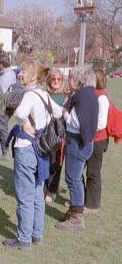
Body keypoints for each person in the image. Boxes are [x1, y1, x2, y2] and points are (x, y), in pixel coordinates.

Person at [3, 59, 62, 250]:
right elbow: (60, 111)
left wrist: (24, 122)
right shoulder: (44, 94)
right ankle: (37, 235)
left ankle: (24, 239)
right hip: (41, 150)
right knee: (37, 193)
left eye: (23, 73)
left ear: (33, 76)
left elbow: (19, 112)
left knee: (25, 195)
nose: (20, 75)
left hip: (26, 149)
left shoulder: (29, 95)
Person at [56, 66, 98, 230]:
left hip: (77, 142)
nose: (69, 80)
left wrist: (64, 112)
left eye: (71, 77)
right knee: (76, 177)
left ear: (78, 80)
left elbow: (75, 122)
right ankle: (75, 209)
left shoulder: (81, 96)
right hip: (87, 142)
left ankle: (77, 218)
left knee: (73, 178)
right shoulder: (89, 94)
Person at [83, 68, 109, 214]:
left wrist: (85, 128)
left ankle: (93, 205)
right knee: (89, 171)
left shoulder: (102, 98)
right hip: (91, 137)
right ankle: (87, 200)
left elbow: (101, 123)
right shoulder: (94, 94)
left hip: (98, 140)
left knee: (93, 172)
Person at [44, 68, 66, 203]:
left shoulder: (65, 96)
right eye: (53, 79)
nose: (56, 81)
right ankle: (45, 187)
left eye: (59, 79)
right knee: (45, 162)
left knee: (56, 163)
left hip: (59, 135)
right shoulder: (44, 94)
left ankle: (51, 190)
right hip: (45, 134)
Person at [0, 54, 16, 161]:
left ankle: (6, 153)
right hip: (9, 106)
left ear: (1, 64)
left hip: (2, 106)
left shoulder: (5, 77)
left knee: (1, 129)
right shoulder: (12, 74)